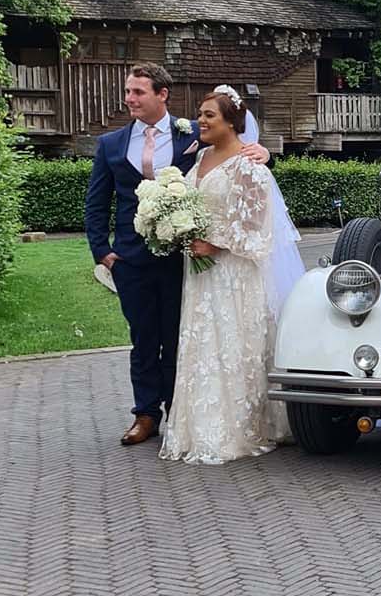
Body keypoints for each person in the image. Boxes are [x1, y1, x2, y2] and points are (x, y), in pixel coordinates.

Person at [84, 64, 269, 447]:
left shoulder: (194, 131)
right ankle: (145, 414)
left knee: (179, 336)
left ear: (161, 94)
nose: (130, 98)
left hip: (180, 258)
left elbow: (233, 158)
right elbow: (97, 202)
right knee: (143, 338)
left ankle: (179, 409)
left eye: (138, 92)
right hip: (131, 259)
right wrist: (104, 252)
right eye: (128, 91)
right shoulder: (111, 144)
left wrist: (262, 150)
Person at [159, 86, 299, 464]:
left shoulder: (249, 164)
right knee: (202, 344)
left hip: (233, 271)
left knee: (233, 344)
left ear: (232, 122)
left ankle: (241, 426)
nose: (201, 121)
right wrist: (178, 228)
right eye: (200, 114)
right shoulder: (200, 155)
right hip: (200, 271)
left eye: (209, 116)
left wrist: (216, 245)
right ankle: (199, 425)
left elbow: (257, 225)